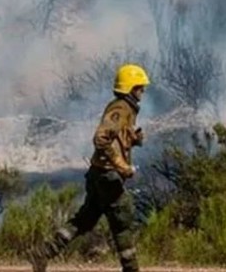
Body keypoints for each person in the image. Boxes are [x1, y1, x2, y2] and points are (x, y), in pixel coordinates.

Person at [31, 64, 151, 272]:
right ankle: (131, 268)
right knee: (122, 219)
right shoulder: (120, 109)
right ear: (130, 88)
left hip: (99, 174)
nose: (143, 91)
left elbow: (115, 137)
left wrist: (133, 139)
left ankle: (44, 252)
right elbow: (101, 138)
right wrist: (122, 165)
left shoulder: (124, 108)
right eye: (140, 87)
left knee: (84, 220)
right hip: (108, 176)